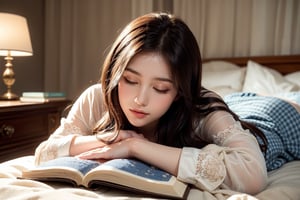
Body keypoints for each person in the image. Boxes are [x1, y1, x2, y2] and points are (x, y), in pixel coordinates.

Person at [34, 12, 300, 196]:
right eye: (130, 80)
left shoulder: (202, 109)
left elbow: (253, 174)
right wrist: (113, 138)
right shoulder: (99, 97)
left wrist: (137, 146)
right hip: (232, 109)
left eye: (160, 88)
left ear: (180, 92)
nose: (140, 99)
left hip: (272, 116)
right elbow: (45, 152)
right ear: (116, 73)